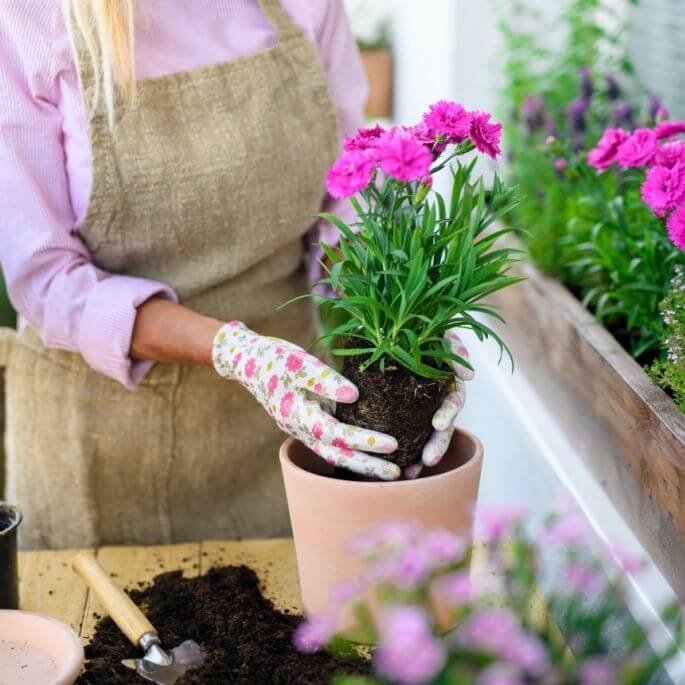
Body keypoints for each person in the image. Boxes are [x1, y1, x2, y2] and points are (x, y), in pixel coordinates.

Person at [0, 0, 471, 550]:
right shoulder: (28, 18)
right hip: (104, 454)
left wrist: (409, 324)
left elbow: (340, 203)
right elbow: (47, 280)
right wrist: (236, 351)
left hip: (287, 431)